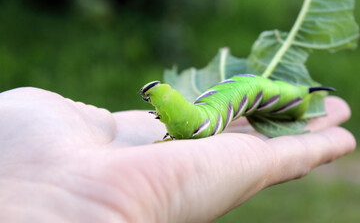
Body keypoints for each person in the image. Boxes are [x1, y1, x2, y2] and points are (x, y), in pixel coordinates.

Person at [0, 87, 355, 222]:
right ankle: (301, 98)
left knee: (248, 88)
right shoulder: (191, 123)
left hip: (281, 98)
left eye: (156, 103)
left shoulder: (191, 122)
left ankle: (302, 99)